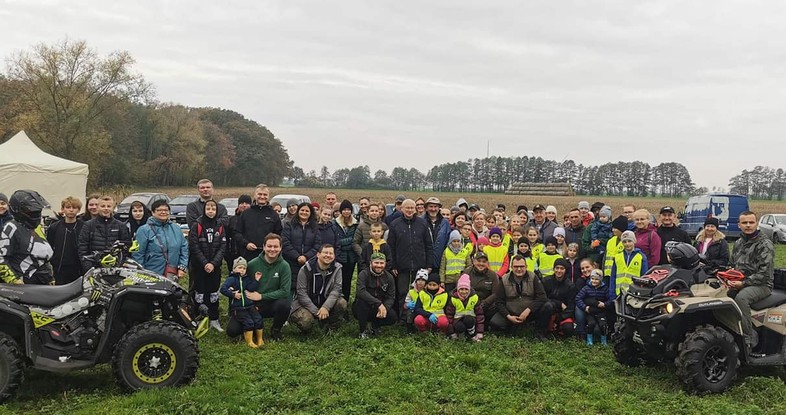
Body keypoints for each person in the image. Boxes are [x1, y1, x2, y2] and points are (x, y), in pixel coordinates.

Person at [231, 233, 292, 341]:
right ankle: (253, 326)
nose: (272, 249)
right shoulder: (252, 264)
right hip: (251, 305)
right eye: (269, 246)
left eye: (275, 246)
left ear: (280, 248)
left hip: (271, 303)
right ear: (263, 247)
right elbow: (239, 282)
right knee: (232, 331)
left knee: (285, 304)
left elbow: (285, 291)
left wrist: (261, 296)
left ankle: (276, 330)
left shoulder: (284, 266)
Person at [730, 211, 774, 349]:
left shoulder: (764, 244)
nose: (748, 225)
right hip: (740, 282)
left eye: (751, 222)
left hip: (761, 285)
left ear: (756, 224)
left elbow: (765, 273)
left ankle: (748, 337)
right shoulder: (738, 243)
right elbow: (732, 265)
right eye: (744, 223)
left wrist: (743, 284)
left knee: (741, 298)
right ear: (739, 225)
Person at [388, 199, 433, 318]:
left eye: (412, 208)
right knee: (403, 292)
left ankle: (417, 317)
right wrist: (393, 265)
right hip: (402, 266)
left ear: (415, 209)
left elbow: (428, 245)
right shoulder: (395, 224)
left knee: (419, 292)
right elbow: (391, 247)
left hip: (419, 265)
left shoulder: (422, 224)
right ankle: (403, 318)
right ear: (401, 209)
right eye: (407, 208)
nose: (409, 210)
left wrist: (428, 264)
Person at [490, 255, 552, 339]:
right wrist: (508, 316)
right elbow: (499, 302)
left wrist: (528, 310)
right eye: (516, 266)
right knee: (495, 322)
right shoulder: (504, 279)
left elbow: (542, 297)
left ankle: (540, 332)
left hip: (529, 313)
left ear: (526, 266)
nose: (519, 269)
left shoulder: (533, 277)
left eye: (522, 266)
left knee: (548, 306)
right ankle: (510, 328)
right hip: (511, 313)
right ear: (511, 267)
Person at [0, 190, 54, 285]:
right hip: (24, 284)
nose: (37, 215)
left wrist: (50, 278)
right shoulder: (12, 227)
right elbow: (1, 259)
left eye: (38, 211)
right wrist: (14, 280)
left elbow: (44, 255)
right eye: (31, 212)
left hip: (43, 281)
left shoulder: (36, 227)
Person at [290, 244, 347, 333]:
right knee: (306, 322)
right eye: (325, 252)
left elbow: (336, 290)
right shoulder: (305, 269)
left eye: (331, 253)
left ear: (334, 256)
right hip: (306, 304)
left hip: (325, 301)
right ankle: (308, 329)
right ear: (318, 254)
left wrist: (326, 307)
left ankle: (331, 327)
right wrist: (316, 311)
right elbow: (301, 293)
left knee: (342, 303)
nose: (328, 255)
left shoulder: (337, 268)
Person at [188, 200, 226, 331]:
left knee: (214, 292)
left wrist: (213, 263)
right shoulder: (197, 225)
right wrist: (205, 263)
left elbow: (222, 246)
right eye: (208, 208)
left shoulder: (220, 225)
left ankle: (214, 319)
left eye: (213, 208)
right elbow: (194, 246)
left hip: (215, 267)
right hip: (200, 266)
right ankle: (199, 319)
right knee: (199, 293)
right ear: (204, 210)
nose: (211, 211)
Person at [133, 200, 188, 279]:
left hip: (171, 271)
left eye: (166, 210)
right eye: (159, 210)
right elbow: (138, 254)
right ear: (152, 212)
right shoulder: (143, 230)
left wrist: (182, 267)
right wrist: (140, 272)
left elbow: (184, 248)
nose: (163, 212)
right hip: (150, 272)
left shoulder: (176, 228)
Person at [78, 195, 131, 273]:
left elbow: (126, 247)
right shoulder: (88, 225)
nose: (106, 208)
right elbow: (82, 248)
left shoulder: (120, 226)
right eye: (103, 206)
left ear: (113, 208)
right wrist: (89, 268)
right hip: (94, 268)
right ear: (98, 207)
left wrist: (119, 265)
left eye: (109, 206)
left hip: (115, 269)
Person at [220, 257, 263, 348]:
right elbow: (223, 289)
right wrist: (232, 294)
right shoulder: (231, 279)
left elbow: (251, 288)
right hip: (239, 308)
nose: (242, 270)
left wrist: (256, 280)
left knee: (258, 319)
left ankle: (260, 339)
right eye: (240, 268)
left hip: (249, 305)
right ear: (234, 268)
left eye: (244, 268)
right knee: (248, 322)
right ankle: (250, 341)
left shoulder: (246, 279)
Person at [354, 252, 397, 338]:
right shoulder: (363, 274)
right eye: (376, 263)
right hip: (363, 306)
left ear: (385, 264)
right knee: (361, 303)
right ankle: (363, 330)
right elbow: (361, 292)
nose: (379, 265)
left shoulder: (389, 277)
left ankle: (375, 325)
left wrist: (385, 308)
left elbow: (391, 296)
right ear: (371, 263)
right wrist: (378, 304)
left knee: (393, 317)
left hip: (379, 308)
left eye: (381, 263)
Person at [235, 184, 283, 261]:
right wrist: (246, 244)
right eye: (260, 194)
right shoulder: (246, 213)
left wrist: (271, 247)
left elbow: (279, 235)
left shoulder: (273, 215)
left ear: (268, 196)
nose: (262, 197)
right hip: (248, 255)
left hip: (267, 255)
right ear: (255, 195)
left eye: (265, 194)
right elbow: (237, 233)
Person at [47, 196, 85, 285]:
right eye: (68, 207)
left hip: (79, 269)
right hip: (59, 269)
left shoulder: (84, 227)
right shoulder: (54, 227)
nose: (71, 210)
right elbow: (49, 247)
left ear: (79, 210)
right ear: (62, 209)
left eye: (74, 208)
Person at [282, 202, 322, 285]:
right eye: (302, 210)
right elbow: (285, 242)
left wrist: (306, 257)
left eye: (307, 211)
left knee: (306, 285)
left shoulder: (315, 227)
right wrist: (297, 257)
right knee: (291, 285)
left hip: (309, 263)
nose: (304, 212)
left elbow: (317, 245)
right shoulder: (289, 225)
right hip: (291, 261)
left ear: (311, 213)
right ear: (298, 211)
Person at [445, 274, 485, 341]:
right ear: (458, 289)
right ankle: (461, 334)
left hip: (471, 320)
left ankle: (472, 334)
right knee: (459, 326)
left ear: (469, 289)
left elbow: (479, 314)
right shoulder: (453, 299)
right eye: (461, 289)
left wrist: (479, 331)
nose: (464, 292)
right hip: (458, 320)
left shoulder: (474, 298)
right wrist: (451, 332)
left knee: (468, 319)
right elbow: (449, 316)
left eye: (466, 289)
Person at [543, 258, 576, 338]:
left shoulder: (570, 286)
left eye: (562, 268)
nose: (559, 271)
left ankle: (557, 330)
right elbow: (542, 299)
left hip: (562, 314)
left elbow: (571, 307)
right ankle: (546, 330)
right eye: (557, 268)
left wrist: (559, 318)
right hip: (548, 311)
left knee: (568, 329)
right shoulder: (546, 281)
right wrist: (559, 303)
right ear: (553, 269)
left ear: (565, 270)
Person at [575, 269, 610, 345]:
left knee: (603, 325)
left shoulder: (605, 289)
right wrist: (585, 307)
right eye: (592, 278)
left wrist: (604, 304)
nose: (594, 281)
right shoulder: (586, 288)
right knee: (591, 324)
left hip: (601, 312)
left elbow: (610, 300)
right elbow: (578, 298)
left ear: (601, 279)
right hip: (590, 312)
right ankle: (589, 340)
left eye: (596, 279)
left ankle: (604, 341)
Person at [333, 200, 358, 302]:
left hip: (351, 258)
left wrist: (342, 243)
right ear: (341, 211)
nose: (346, 212)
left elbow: (355, 240)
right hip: (339, 257)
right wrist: (346, 242)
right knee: (338, 282)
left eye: (348, 210)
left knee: (347, 282)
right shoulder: (334, 223)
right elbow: (336, 241)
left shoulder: (355, 224)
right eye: (344, 210)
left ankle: (346, 303)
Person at [610, 231, 648, 297]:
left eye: (629, 241)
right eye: (624, 242)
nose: (627, 244)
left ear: (634, 241)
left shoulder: (641, 257)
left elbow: (644, 276)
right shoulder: (617, 257)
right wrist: (612, 294)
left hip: (634, 292)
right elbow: (613, 276)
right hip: (619, 292)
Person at [224, 194, 252, 274]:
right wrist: (227, 254)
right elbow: (227, 237)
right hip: (234, 254)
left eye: (247, 203)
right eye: (242, 203)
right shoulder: (232, 219)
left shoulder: (254, 220)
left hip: (249, 253)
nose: (244, 205)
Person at [424, 197, 451, 270]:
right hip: (423, 262)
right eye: (431, 206)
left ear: (439, 208)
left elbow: (447, 243)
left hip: (440, 263)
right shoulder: (420, 221)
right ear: (426, 208)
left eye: (435, 206)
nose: (433, 209)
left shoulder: (445, 223)